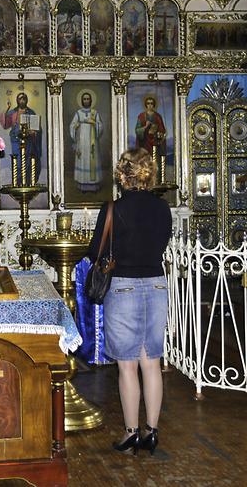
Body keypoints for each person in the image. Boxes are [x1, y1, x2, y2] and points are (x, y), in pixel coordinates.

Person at [86, 148, 172, 456]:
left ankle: (131, 433)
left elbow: (96, 250)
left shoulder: (113, 208)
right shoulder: (163, 208)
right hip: (157, 285)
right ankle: (152, 431)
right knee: (151, 363)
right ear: (149, 174)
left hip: (123, 288)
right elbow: (162, 242)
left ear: (123, 176)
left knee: (127, 367)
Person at [0, 92, 42, 184]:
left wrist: (33, 132)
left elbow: (36, 129)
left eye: (24, 99)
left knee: (28, 161)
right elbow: (5, 124)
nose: (22, 101)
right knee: (18, 161)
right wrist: (7, 108)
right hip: (16, 140)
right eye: (20, 99)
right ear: (17, 101)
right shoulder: (13, 112)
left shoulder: (31, 113)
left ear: (26, 100)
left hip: (28, 141)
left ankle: (27, 182)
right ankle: (18, 182)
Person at [69, 92, 104, 192]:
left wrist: (94, 123)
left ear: (91, 100)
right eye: (84, 99)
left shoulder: (95, 113)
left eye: (88, 99)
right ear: (82, 101)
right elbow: (72, 126)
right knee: (82, 160)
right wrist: (75, 127)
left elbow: (100, 126)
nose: (86, 101)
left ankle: (94, 186)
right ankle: (82, 185)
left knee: (92, 159)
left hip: (92, 143)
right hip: (82, 142)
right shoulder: (78, 113)